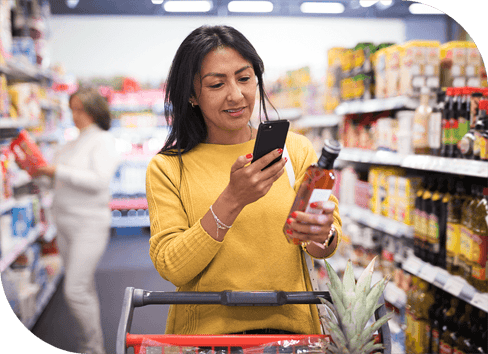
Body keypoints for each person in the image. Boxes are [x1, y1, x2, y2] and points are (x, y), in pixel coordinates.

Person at [146, 25, 342, 335]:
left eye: (244, 78)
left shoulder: (295, 149)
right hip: (207, 340)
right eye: (216, 84)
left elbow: (324, 245)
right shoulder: (168, 168)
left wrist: (321, 233)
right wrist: (232, 200)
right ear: (192, 95)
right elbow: (172, 267)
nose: (236, 95)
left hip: (291, 334)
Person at [33, 87, 120, 354]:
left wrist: (58, 170)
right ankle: (89, 346)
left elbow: (98, 182)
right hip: (65, 223)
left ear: (94, 109)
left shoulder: (103, 141)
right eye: (71, 109)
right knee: (82, 286)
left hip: (89, 224)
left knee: (74, 290)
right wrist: (34, 169)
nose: (74, 115)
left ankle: (93, 349)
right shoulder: (69, 143)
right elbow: (51, 181)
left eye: (79, 108)